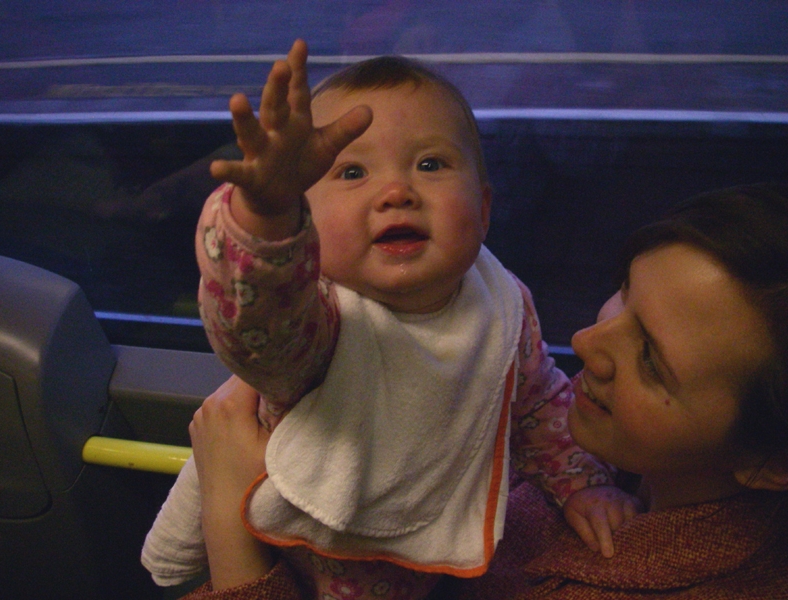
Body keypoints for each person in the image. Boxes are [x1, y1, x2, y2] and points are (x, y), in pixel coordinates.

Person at [142, 39, 637, 597]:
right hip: (301, 566)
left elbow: (538, 405)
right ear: (307, 218)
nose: (397, 191)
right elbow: (257, 325)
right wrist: (267, 218)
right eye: (352, 172)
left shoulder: (500, 305)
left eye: (430, 164)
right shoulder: (321, 320)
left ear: (483, 210)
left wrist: (582, 484)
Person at [182, 182, 788, 599]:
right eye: (624, 292)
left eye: (651, 360)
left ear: (771, 463)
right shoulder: (627, 458)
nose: (586, 341)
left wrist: (229, 519)